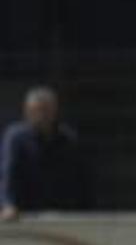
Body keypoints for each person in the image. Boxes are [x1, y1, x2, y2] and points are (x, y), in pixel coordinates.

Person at [0, 86, 92, 221]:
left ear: (55, 110)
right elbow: (8, 174)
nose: (42, 116)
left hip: (62, 216)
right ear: (27, 111)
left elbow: (80, 179)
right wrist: (8, 205)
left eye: (46, 110)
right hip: (25, 215)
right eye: (37, 111)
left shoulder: (67, 139)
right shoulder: (16, 138)